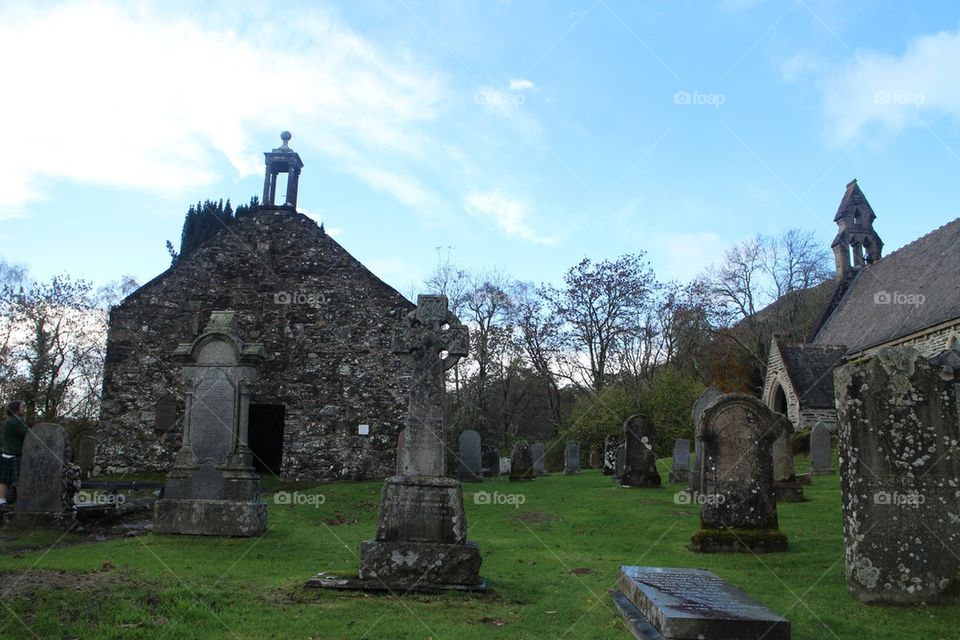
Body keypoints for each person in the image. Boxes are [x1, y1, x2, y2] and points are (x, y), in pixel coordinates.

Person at [0, 400, 29, 506]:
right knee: (5, 480)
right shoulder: (12, 421)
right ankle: (2, 500)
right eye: (22, 407)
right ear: (16, 408)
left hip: (15, 454)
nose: (23, 409)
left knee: (11, 480)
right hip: (11, 455)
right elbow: (26, 433)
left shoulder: (16, 420)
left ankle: (14, 500)